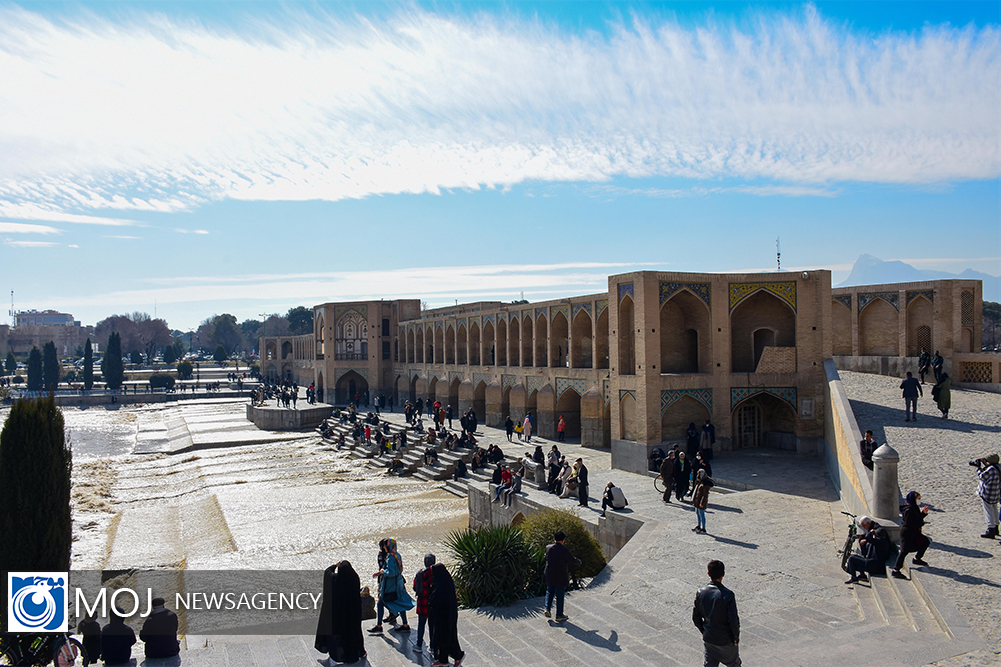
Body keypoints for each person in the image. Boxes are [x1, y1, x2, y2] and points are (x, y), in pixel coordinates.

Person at [314, 560, 366, 664]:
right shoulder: (354, 579)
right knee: (353, 634)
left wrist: (334, 565)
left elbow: (327, 573)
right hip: (352, 615)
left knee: (335, 636)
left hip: (338, 614)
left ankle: (335, 657)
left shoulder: (335, 580)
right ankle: (359, 653)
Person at [693, 560, 741, 667]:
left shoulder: (701, 592)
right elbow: (734, 621)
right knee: (733, 664)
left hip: (709, 639)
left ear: (708, 574)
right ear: (723, 574)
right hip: (726, 640)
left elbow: (696, 618)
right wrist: (735, 639)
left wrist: (705, 631)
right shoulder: (728, 595)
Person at [369, 538, 415, 633]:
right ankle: (405, 624)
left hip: (390, 586)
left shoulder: (390, 558)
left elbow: (391, 572)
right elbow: (399, 570)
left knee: (380, 603)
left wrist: (382, 572)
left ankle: (379, 625)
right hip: (398, 584)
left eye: (386, 545)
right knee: (401, 603)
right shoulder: (397, 556)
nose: (385, 547)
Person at [428, 563, 464, 666]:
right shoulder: (444, 582)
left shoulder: (442, 586)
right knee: (440, 639)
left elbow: (436, 600)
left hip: (446, 617)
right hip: (442, 616)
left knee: (447, 639)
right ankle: (443, 660)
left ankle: (458, 656)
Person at [891, 491, 931, 579]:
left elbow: (916, 518)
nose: (919, 501)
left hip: (913, 532)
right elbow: (910, 523)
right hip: (907, 533)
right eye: (918, 499)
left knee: (925, 542)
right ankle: (896, 570)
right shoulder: (909, 509)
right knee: (904, 551)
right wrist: (920, 524)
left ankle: (917, 559)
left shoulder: (914, 507)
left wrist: (923, 513)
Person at [544, 531, 581, 623]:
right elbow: (572, 560)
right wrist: (579, 562)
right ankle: (559, 615)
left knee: (550, 591)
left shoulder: (548, 547)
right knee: (559, 595)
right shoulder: (565, 550)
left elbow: (546, 557)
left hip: (549, 573)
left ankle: (547, 608)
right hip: (560, 575)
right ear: (563, 540)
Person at [844, 516, 891, 584]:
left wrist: (871, 533)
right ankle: (862, 575)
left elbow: (869, 538)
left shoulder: (879, 542)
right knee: (857, 558)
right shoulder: (882, 541)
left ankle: (854, 577)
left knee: (852, 558)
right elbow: (869, 539)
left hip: (875, 565)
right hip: (875, 563)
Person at [411, 554, 435, 655]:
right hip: (432, 603)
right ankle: (433, 647)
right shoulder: (435, 573)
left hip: (422, 603)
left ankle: (419, 645)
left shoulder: (419, 573)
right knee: (432, 626)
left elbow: (414, 587)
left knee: (421, 625)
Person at [974, 453, 1000, 539]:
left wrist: (978, 468)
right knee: (994, 509)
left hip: (988, 493)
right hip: (996, 493)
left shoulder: (991, 469)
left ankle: (991, 529)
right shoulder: (999, 467)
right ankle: (996, 527)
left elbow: (982, 476)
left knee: (988, 511)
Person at [691, 469, 714, 534]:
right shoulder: (700, 481)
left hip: (701, 502)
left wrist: (702, 503)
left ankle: (703, 528)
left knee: (702, 514)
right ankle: (698, 526)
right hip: (697, 500)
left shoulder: (706, 484)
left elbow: (705, 495)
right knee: (697, 513)